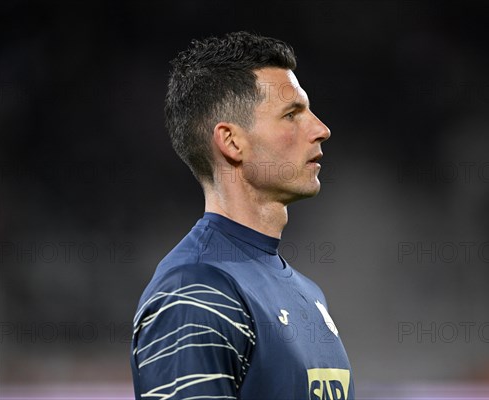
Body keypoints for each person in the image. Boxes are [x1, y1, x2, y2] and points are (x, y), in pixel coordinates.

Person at [130, 31, 354, 400]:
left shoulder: (308, 294)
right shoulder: (195, 291)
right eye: (292, 114)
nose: (321, 129)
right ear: (232, 142)